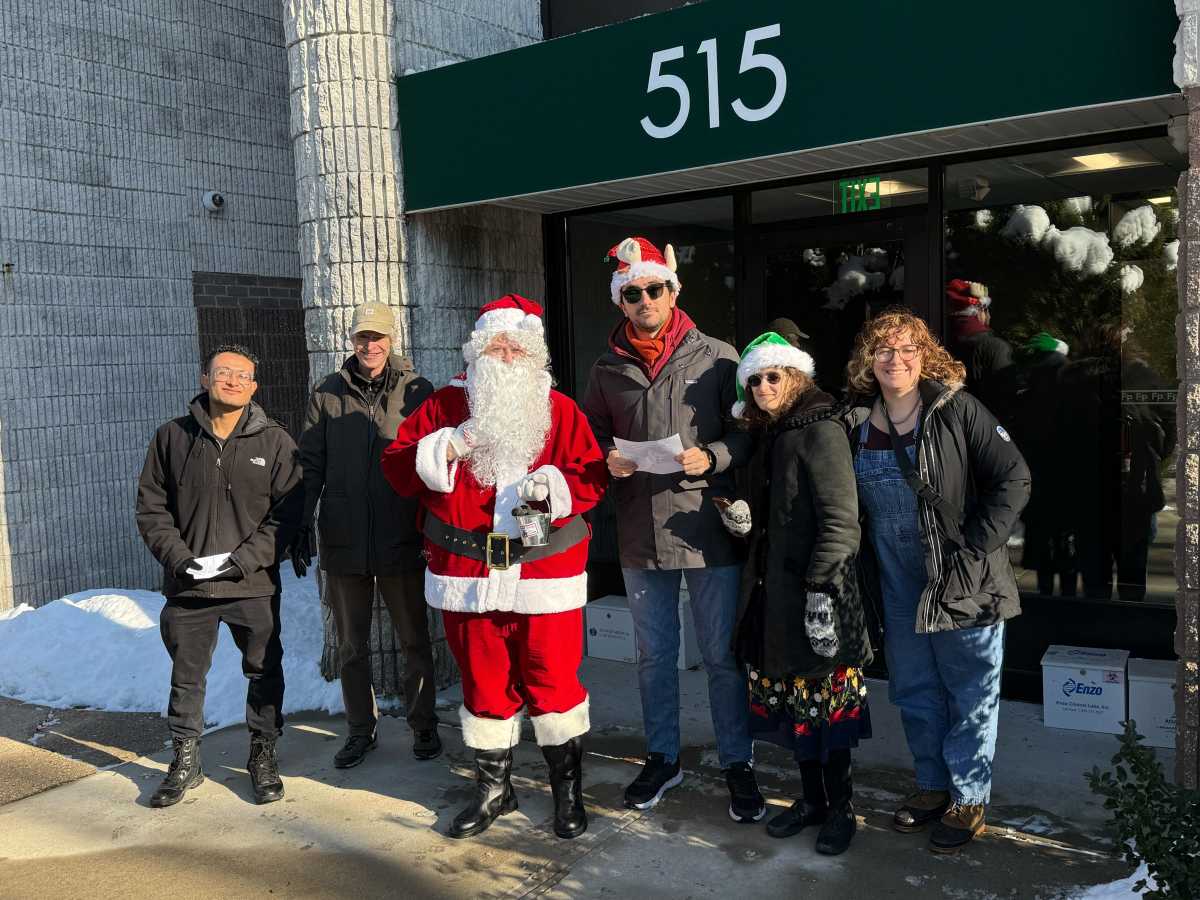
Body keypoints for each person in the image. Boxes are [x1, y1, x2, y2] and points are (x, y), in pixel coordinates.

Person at [381, 295, 606, 841]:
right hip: (466, 575)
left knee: (553, 683)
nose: (505, 357)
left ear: (534, 355)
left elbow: (592, 478)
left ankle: (566, 794)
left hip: (543, 576)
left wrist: (553, 487)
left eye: (515, 348)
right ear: (476, 353)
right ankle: (494, 792)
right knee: (483, 684)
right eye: (495, 347)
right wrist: (448, 447)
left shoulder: (562, 410)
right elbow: (396, 468)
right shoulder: (441, 406)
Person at [581, 236, 762, 822]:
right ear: (621, 302)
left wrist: (712, 457)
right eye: (632, 293)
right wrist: (607, 457)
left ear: (673, 290)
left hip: (705, 527)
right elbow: (589, 437)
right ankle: (662, 756)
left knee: (720, 656)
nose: (644, 299)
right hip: (640, 531)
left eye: (653, 288)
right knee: (654, 656)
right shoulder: (606, 368)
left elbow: (748, 435)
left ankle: (738, 761)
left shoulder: (718, 356)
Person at [845, 307, 1029, 853]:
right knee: (916, 691)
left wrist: (976, 544)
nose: (895, 359)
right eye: (883, 350)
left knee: (970, 690)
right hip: (897, 585)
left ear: (925, 356)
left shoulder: (957, 410)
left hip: (964, 579)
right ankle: (931, 786)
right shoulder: (856, 423)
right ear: (867, 360)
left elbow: (1014, 477)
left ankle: (969, 797)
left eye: (907, 349)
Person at [718, 332, 873, 856]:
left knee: (828, 710)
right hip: (775, 595)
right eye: (754, 379)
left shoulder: (820, 428)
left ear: (795, 377)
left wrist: (820, 591)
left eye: (772, 376)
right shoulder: (772, 432)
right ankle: (810, 802)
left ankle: (841, 809)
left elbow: (841, 521)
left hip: (817, 593)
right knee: (794, 705)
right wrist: (743, 522)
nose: (762, 386)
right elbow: (776, 518)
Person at [136, 344, 302, 808]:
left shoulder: (275, 442)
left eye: (242, 375)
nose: (232, 380)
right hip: (189, 587)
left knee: (265, 671)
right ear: (205, 378)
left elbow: (288, 516)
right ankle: (185, 759)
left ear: (254, 387)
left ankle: (262, 753)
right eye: (223, 372)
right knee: (186, 679)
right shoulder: (172, 437)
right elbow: (152, 508)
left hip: (251, 584)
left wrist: (244, 561)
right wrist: (178, 558)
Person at [293, 302, 441, 768]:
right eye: (362, 337)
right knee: (351, 645)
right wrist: (300, 520)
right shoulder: (327, 393)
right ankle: (360, 729)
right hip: (344, 539)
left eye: (377, 337)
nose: (369, 345)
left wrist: (433, 527)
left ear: (391, 340)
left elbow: (434, 463)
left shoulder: (418, 391)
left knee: (414, 639)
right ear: (352, 340)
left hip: (401, 536)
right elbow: (310, 464)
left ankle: (424, 725)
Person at [945, 279, 1017, 424]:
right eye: (986, 309)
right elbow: (1006, 403)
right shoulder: (995, 347)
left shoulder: (939, 343)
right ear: (978, 310)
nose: (989, 316)